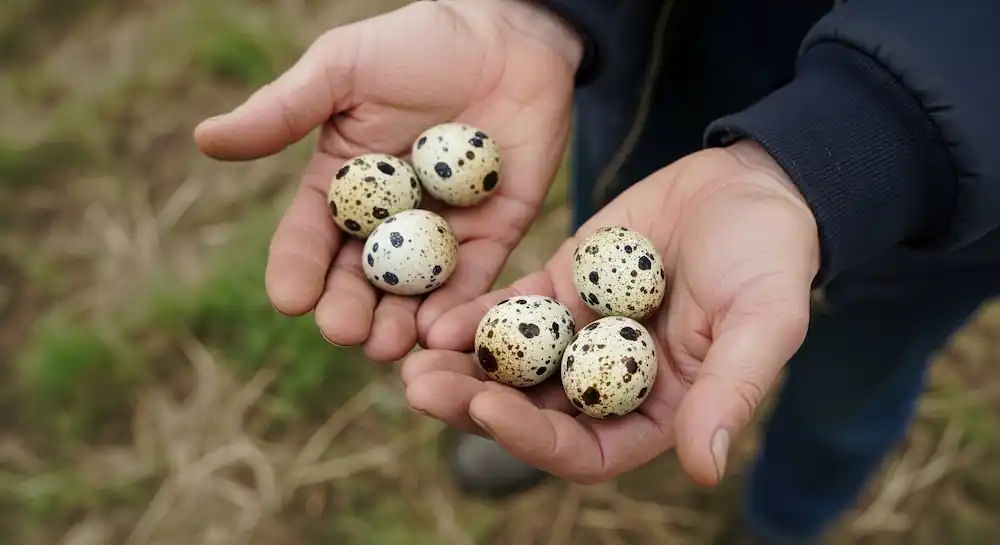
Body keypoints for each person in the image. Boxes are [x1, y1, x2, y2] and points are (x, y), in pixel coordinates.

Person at [192, 0, 1000, 542]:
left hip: (949, 189)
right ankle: (533, 399)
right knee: (599, 232)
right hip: (666, 82)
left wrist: (884, 135)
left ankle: (787, 518)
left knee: (847, 393)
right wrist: (539, 13)